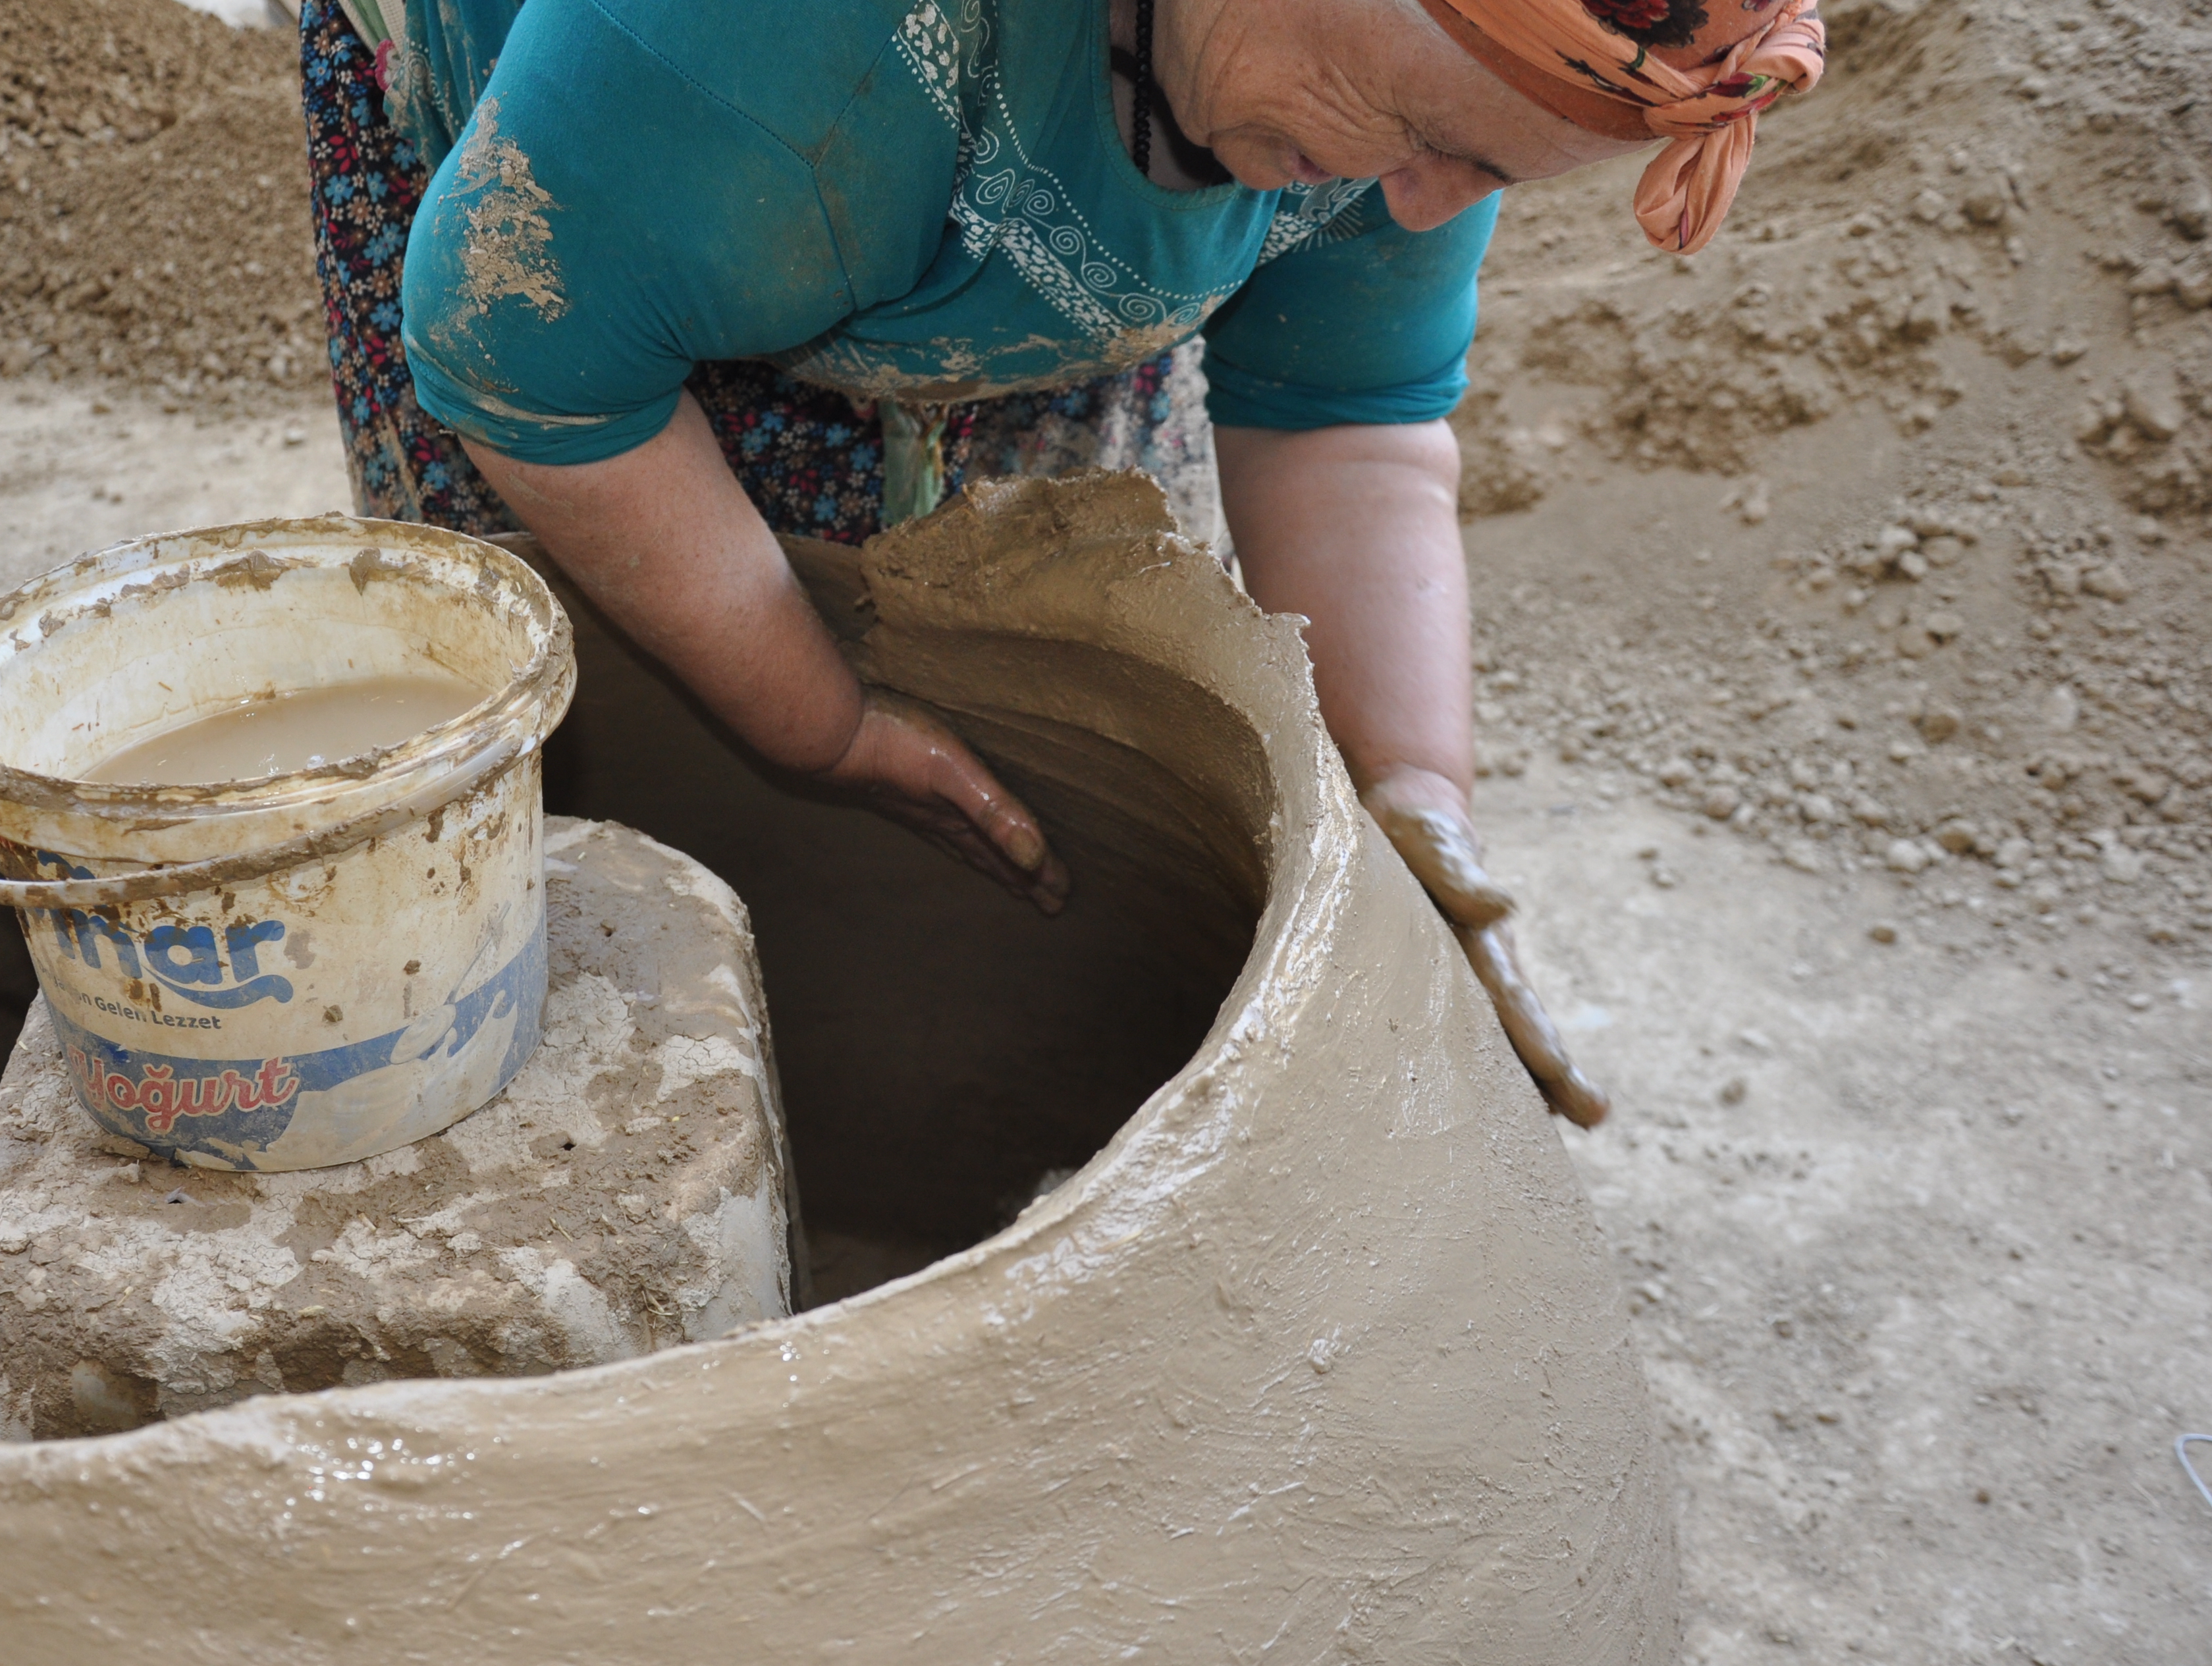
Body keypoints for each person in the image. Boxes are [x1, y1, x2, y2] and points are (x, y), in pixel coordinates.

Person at [301, 0, 1824, 1127]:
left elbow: (1345, 410)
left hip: (1003, 118)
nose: (1423, 202)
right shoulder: (774, 47)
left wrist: (1413, 791)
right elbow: (535, 367)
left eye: (1489, 167)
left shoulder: (1397, 74)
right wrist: (813, 722)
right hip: (641, 155)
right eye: (1427, 139)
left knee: (1033, 615)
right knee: (581, 678)